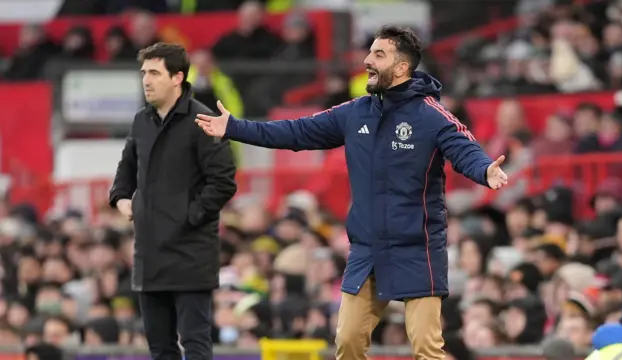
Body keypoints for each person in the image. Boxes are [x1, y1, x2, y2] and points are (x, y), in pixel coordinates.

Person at [196, 25, 507, 359]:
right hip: (367, 248)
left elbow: (463, 148)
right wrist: (235, 128)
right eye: (369, 52)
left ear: (401, 67)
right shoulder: (355, 111)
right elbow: (296, 132)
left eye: (378, 54)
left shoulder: (431, 116)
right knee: (347, 342)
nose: (367, 60)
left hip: (418, 247)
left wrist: (484, 169)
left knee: (427, 348)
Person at [109, 43, 237, 360]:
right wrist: (122, 200)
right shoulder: (141, 121)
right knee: (159, 348)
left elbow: (223, 182)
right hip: (149, 252)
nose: (146, 80)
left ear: (177, 77)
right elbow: (125, 169)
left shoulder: (203, 121)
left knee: (195, 345)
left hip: (191, 252)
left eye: (154, 73)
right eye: (144, 73)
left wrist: (188, 217)